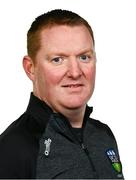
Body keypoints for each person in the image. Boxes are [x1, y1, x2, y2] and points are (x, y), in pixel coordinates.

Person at [0, 9, 124, 179]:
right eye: (57, 59)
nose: (75, 72)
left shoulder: (103, 136)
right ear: (31, 68)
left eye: (84, 57)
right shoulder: (12, 149)